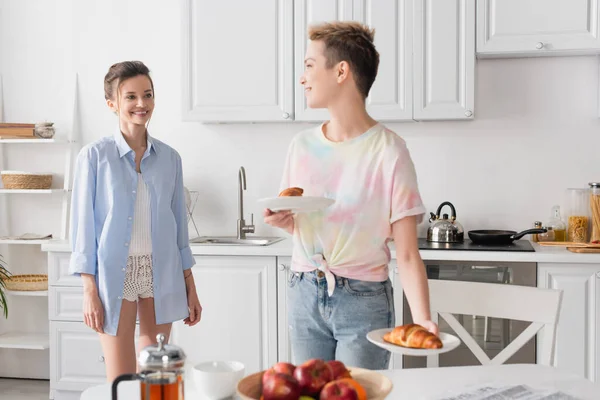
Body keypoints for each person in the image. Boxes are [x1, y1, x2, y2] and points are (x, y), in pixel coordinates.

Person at [264, 22, 438, 370]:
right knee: (309, 393)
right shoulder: (301, 146)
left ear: (341, 71)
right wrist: (286, 223)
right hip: (304, 288)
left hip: (363, 299)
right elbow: (306, 225)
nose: (302, 77)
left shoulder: (389, 151)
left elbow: (405, 252)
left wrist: (422, 320)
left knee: (355, 394)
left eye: (310, 65)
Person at [69, 61, 202, 381]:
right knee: (122, 379)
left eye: (148, 95)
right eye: (130, 97)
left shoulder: (170, 158)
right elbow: (83, 228)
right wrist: (89, 289)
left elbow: (178, 229)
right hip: (115, 276)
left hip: (161, 272)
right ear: (112, 103)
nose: (141, 104)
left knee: (156, 377)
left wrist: (190, 286)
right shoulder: (93, 156)